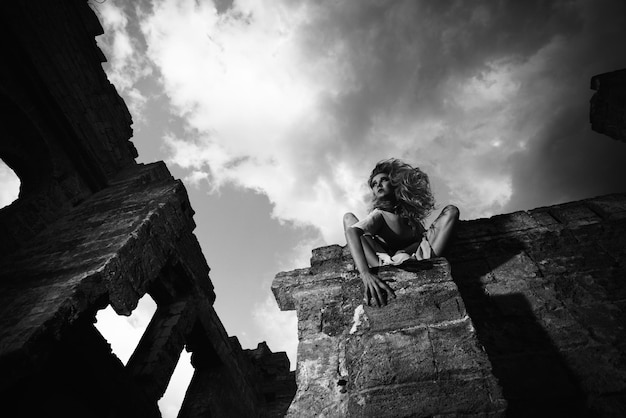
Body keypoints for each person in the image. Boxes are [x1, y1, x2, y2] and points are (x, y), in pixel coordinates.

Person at [343, 158, 459, 307]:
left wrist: (405, 250)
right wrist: (365, 274)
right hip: (381, 262)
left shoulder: (410, 219)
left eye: (383, 180)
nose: (378, 185)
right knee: (348, 218)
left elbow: (421, 239)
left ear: (394, 183)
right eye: (374, 184)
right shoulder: (379, 214)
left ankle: (419, 261)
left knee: (451, 211)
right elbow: (352, 232)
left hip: (418, 258)